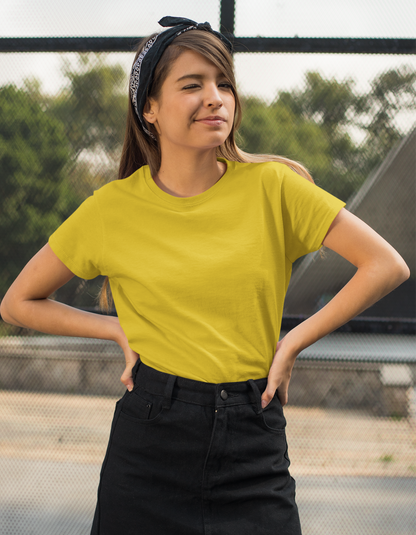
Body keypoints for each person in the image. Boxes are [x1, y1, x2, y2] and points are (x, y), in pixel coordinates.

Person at [0, 16, 410, 535]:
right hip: (150, 442)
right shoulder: (111, 209)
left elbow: (386, 264)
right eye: (192, 85)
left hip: (252, 441)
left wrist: (291, 344)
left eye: (224, 84)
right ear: (148, 108)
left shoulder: (274, 187)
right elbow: (18, 303)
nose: (215, 97)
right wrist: (114, 328)